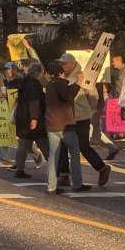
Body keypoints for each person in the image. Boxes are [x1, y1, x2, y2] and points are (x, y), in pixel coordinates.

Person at [55, 53, 112, 187]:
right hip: (66, 116)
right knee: (62, 144)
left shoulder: (83, 76)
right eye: (60, 63)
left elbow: (92, 96)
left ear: (71, 64)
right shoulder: (62, 77)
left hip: (81, 117)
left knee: (83, 146)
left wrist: (90, 110)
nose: (61, 65)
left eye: (63, 63)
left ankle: (102, 168)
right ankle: (64, 175)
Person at [43, 60, 87, 194]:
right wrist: (79, 82)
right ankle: (77, 184)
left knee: (53, 155)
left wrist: (73, 84)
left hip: (51, 124)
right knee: (74, 152)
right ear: (61, 72)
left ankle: (51, 186)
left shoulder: (49, 85)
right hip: (65, 124)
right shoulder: (60, 83)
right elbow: (67, 95)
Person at [8, 60, 47, 178]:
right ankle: (56, 170)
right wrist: (34, 118)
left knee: (23, 144)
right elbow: (34, 102)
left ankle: (19, 169)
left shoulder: (23, 81)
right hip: (33, 118)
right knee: (45, 144)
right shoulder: (35, 84)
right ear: (38, 72)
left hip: (21, 116)